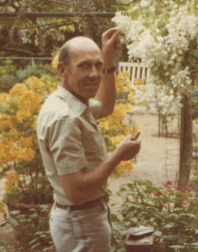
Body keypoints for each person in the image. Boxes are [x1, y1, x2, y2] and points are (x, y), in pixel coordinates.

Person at [37, 28, 141, 252]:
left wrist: (109, 59)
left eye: (98, 65)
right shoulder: (65, 117)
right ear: (62, 69)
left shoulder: (75, 102)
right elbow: (76, 192)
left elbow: (105, 106)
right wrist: (118, 156)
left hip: (83, 219)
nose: (94, 74)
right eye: (84, 65)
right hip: (81, 222)